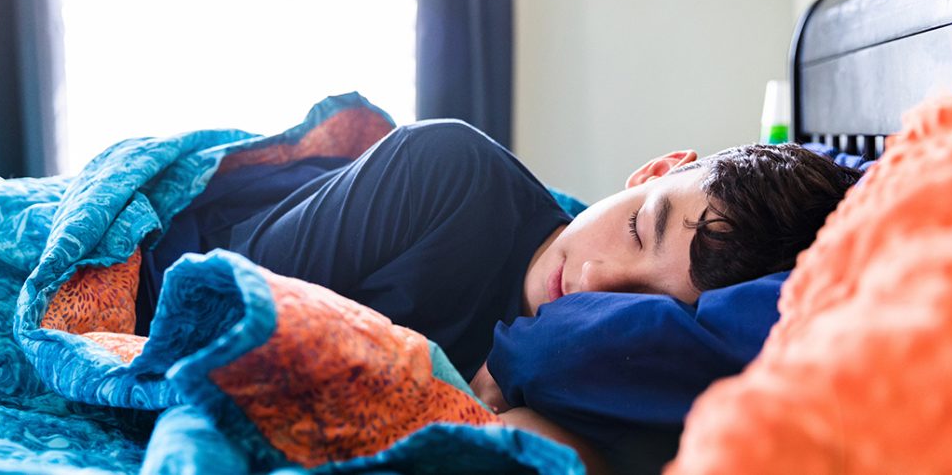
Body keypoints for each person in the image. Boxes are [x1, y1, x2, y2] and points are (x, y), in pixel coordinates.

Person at [133, 118, 860, 470]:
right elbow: (199, 302)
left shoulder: (604, 380)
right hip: (179, 243)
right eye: (639, 229)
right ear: (653, 171)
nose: (597, 282)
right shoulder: (447, 176)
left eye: (644, 302)